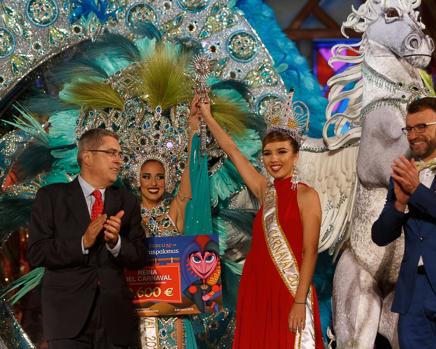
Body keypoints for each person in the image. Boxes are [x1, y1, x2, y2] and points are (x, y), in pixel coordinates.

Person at [198, 95, 324, 348]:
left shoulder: (307, 195)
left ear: (296, 156)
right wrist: (208, 117)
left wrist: (300, 301)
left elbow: (310, 252)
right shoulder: (264, 189)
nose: (274, 159)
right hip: (257, 287)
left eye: (282, 152)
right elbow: (232, 151)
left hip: (290, 289)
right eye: (267, 153)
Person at [27, 128, 148, 349]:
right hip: (67, 319)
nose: (118, 161)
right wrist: (82, 242)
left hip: (116, 320)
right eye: (111, 153)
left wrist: (116, 244)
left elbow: (140, 255)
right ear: (87, 156)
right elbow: (37, 252)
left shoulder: (126, 201)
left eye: (120, 154)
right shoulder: (52, 198)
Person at [371, 97, 436, 349]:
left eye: (422, 127)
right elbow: (380, 235)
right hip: (412, 294)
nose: (413, 135)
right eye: (409, 128)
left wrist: (417, 191)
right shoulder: (402, 175)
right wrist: (398, 204)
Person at [131, 109, 198, 349]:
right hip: (135, 314)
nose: (153, 183)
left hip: (173, 316)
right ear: (136, 179)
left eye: (160, 177)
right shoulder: (127, 214)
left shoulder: (174, 211)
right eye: (147, 177)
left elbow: (188, 183)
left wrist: (193, 132)